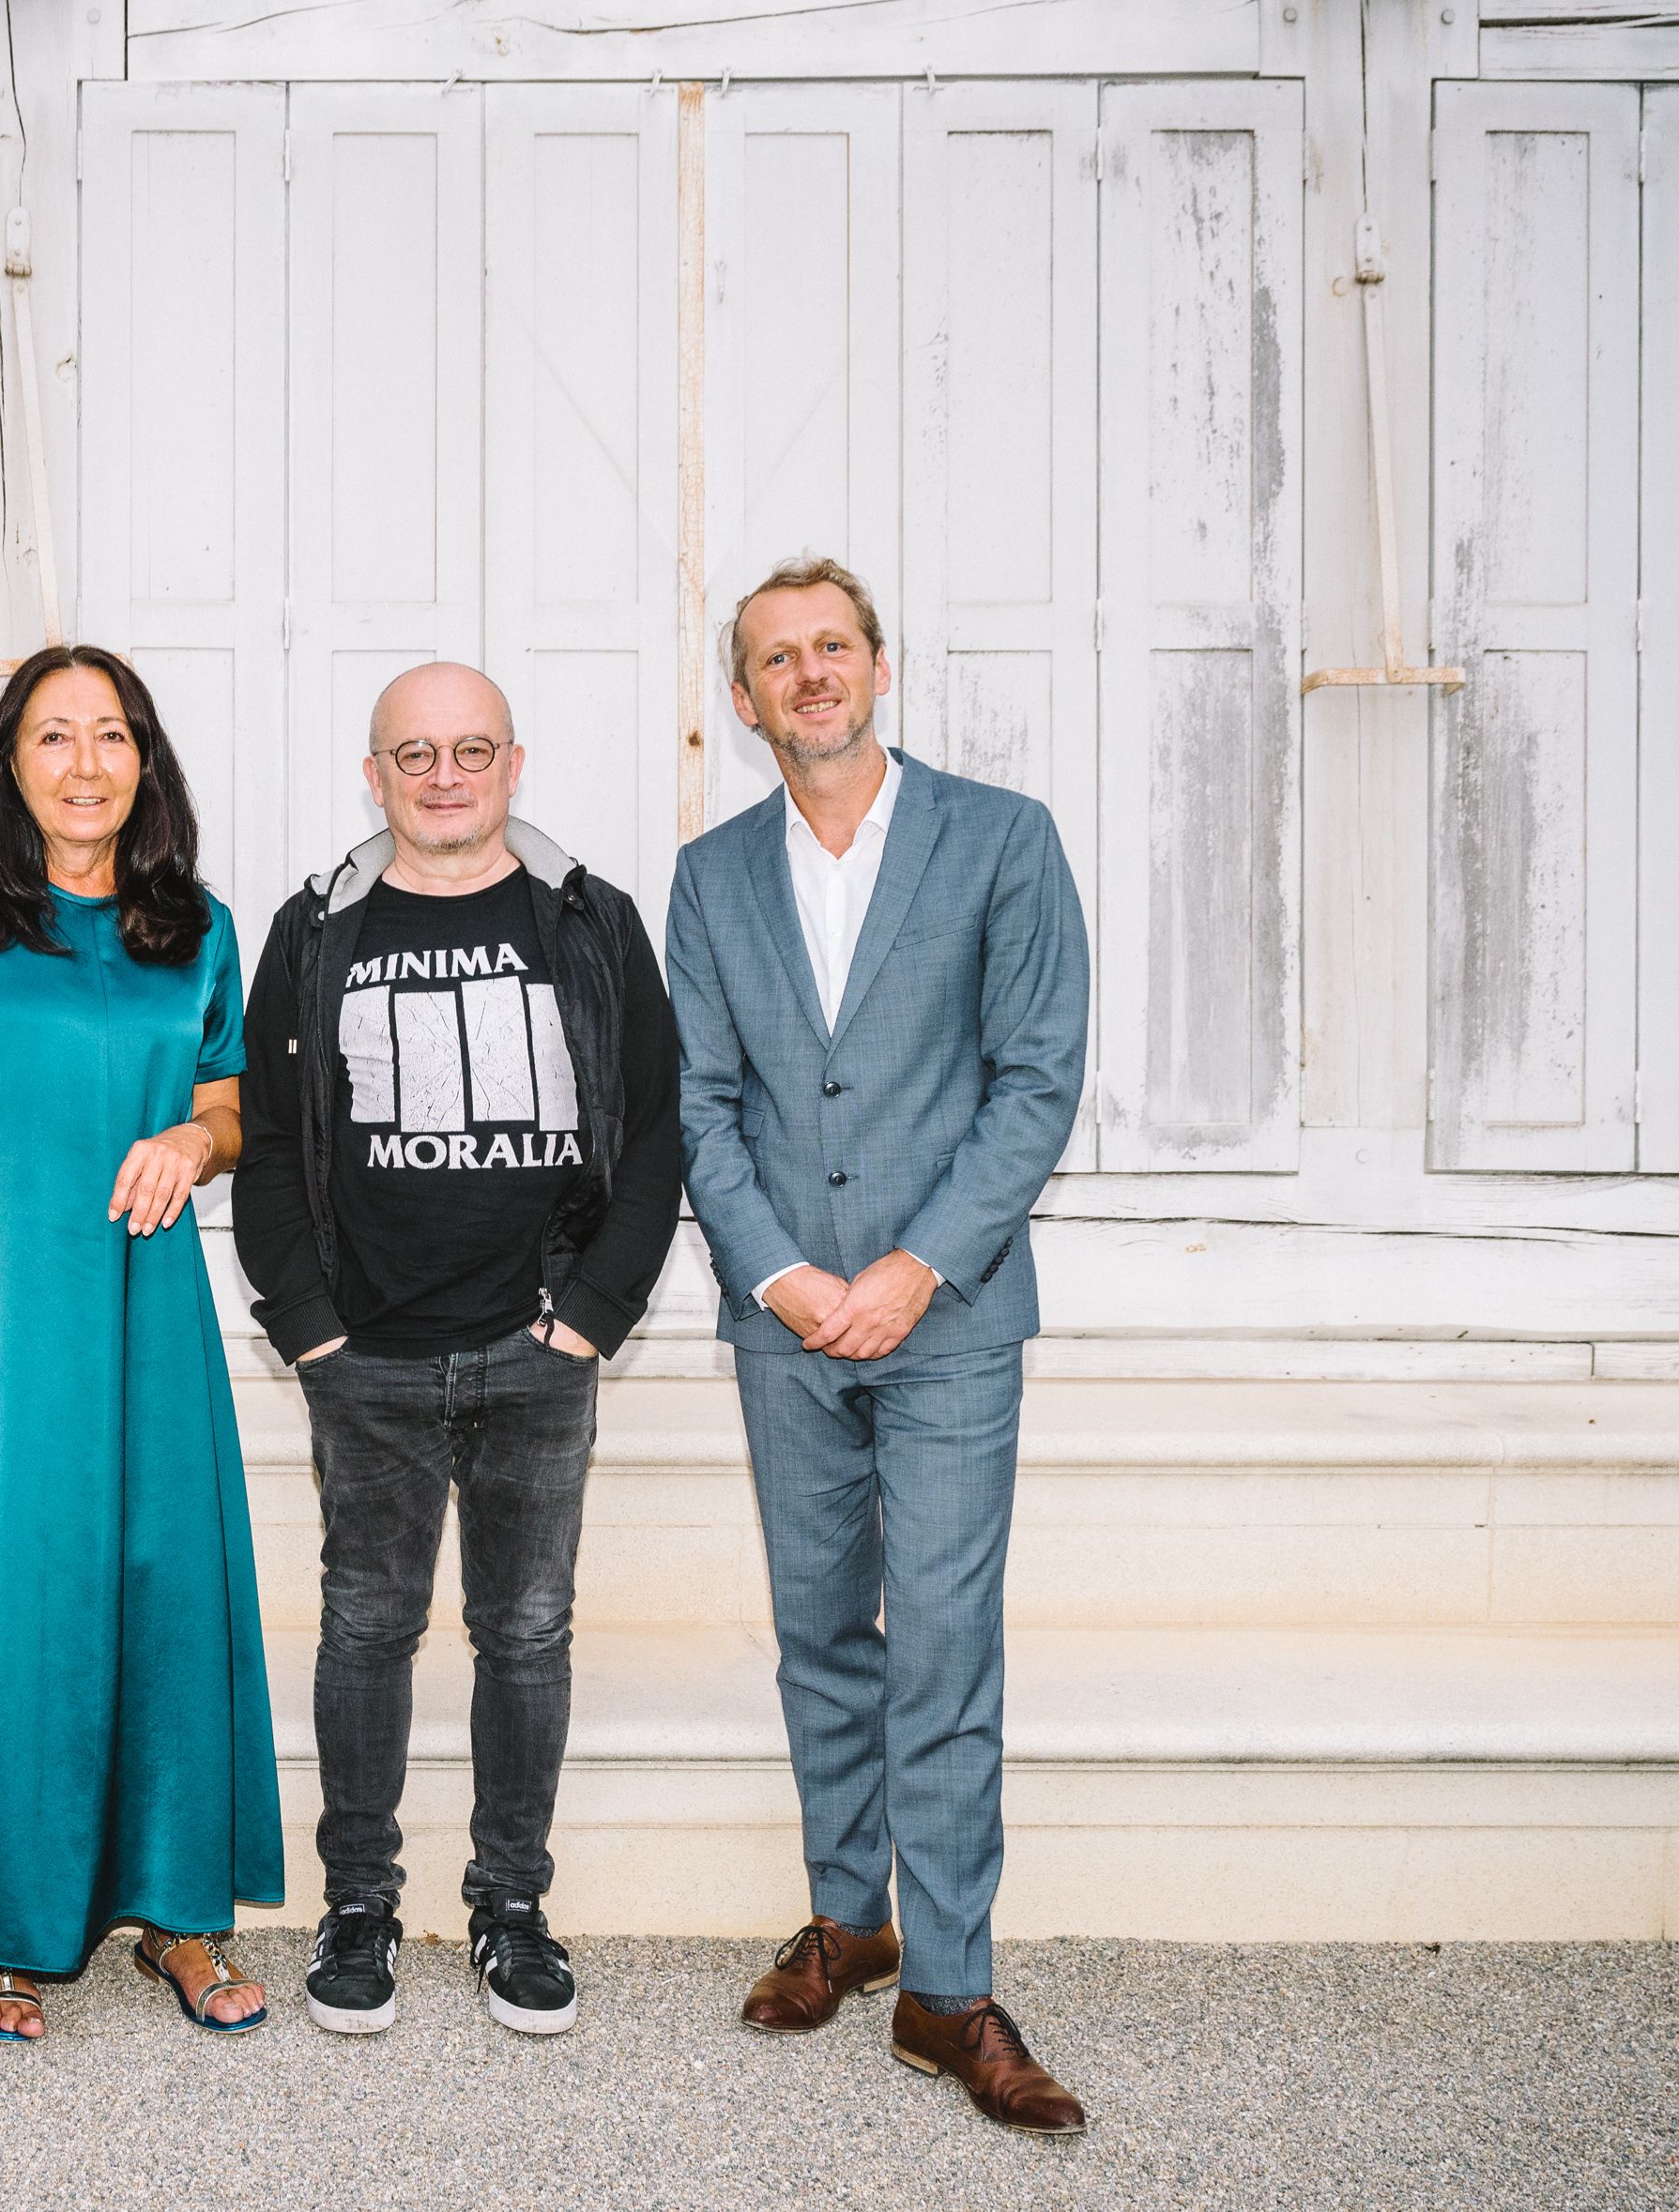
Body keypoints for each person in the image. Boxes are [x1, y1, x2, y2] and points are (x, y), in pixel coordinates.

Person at [666, 557, 1092, 2132]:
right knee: (815, 1627)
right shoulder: (709, 878)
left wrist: (915, 1265)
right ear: (745, 697)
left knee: (943, 1641)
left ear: (879, 664)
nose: (810, 674)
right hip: (784, 1327)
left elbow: (1036, 1077)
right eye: (777, 657)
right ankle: (852, 1917)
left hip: (951, 1318)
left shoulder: (1002, 839)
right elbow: (700, 1104)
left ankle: (951, 1986)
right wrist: (779, 1275)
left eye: (832, 645)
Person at [230, 663, 684, 2038]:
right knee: (368, 1624)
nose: (443, 774)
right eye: (413, 752)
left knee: (525, 1630)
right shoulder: (314, 931)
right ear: (374, 774)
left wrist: (590, 1314)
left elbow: (656, 1132)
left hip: (536, 1347)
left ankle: (509, 1905)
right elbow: (262, 1140)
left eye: (469, 749)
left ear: (513, 763)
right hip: (364, 1355)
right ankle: (359, 1902)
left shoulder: (592, 923)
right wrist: (308, 1321)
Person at [0, 644, 282, 2042]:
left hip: (148, 1320)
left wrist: (188, 1138)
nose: (85, 763)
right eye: (53, 736)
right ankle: (2, 1924)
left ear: (145, 760)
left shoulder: (198, 925)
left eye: (111, 736)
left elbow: (229, 1113)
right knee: (8, 1601)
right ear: (11, 762)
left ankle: (179, 1915)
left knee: (167, 1591)